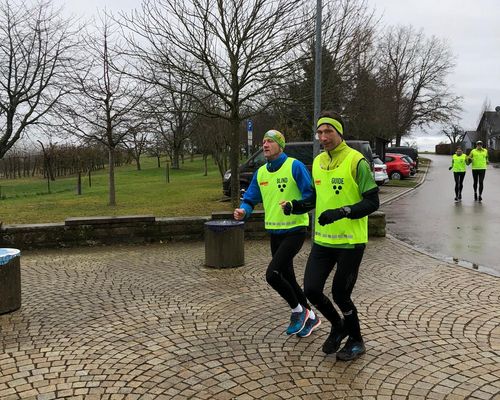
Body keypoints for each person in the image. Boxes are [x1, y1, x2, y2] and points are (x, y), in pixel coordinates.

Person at [282, 111, 379, 361]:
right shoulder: (317, 162)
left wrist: (343, 212)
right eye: (320, 132)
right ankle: (338, 326)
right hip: (323, 240)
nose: (323, 137)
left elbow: (372, 202)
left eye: (328, 132)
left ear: (339, 133)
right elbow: (315, 198)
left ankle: (356, 340)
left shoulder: (357, 161)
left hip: (350, 241)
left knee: (340, 294)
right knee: (312, 290)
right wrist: (296, 206)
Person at [233, 130, 321, 338]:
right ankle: (312, 318)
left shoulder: (295, 166)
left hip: (295, 230)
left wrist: (294, 205)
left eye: (270, 141)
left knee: (272, 274)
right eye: (263, 141)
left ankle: (298, 311)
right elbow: (251, 198)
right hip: (275, 232)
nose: (265, 145)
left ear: (281, 146)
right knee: (288, 277)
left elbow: (310, 195)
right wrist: (243, 210)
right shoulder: (261, 172)